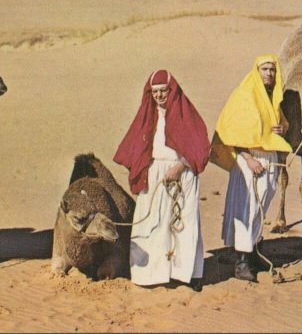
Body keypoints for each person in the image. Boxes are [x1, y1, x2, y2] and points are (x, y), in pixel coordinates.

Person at [114, 70, 211, 291]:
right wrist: (143, 168)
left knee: (182, 223)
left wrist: (180, 166)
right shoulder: (148, 115)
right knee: (153, 223)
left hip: (182, 173)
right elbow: (137, 145)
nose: (159, 95)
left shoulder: (186, 114)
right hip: (155, 174)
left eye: (163, 91)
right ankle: (150, 274)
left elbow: (201, 147)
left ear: (171, 90)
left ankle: (185, 273)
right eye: (155, 91)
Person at [210, 54, 292, 282]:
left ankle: (253, 251)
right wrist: (247, 158)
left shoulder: (272, 97)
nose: (269, 73)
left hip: (269, 158)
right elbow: (230, 132)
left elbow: (280, 124)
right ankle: (242, 263)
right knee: (247, 208)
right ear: (257, 71)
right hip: (250, 161)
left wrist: (280, 130)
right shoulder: (244, 95)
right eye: (265, 69)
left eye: (272, 70)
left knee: (261, 208)